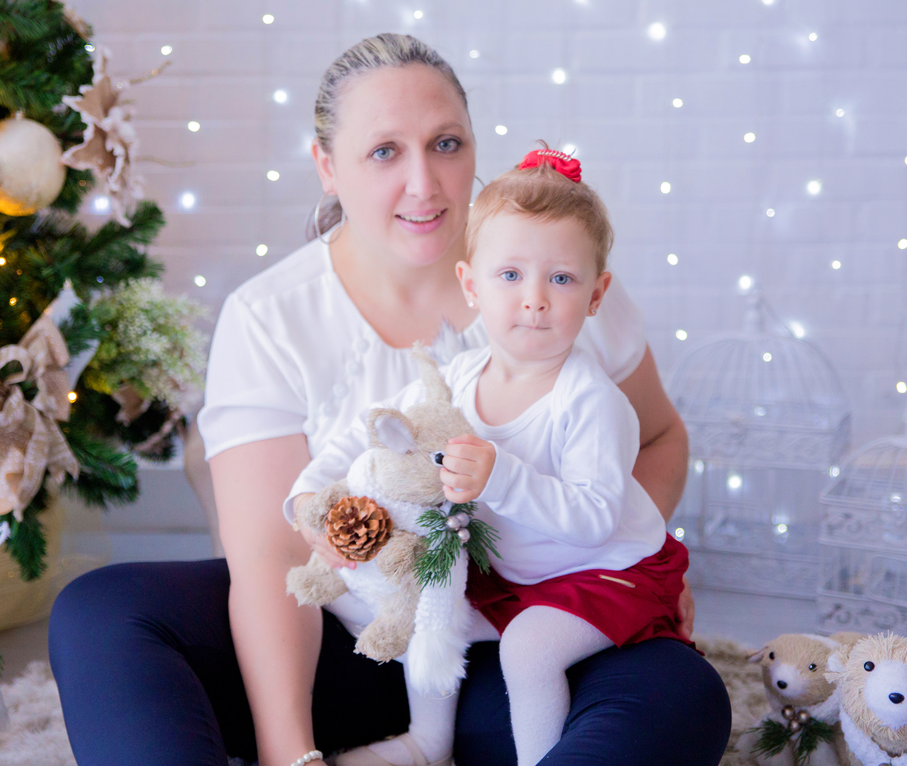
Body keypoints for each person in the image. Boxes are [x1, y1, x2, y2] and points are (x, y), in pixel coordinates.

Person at [49, 33, 730, 766]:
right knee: (102, 613)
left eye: (445, 144)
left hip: (522, 654)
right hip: (347, 653)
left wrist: (616, 572)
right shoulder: (271, 315)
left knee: (682, 691)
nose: (425, 184)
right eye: (384, 152)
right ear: (327, 167)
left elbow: (660, 439)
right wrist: (292, 753)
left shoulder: (550, 275)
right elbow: (272, 558)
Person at [285, 149, 696, 766]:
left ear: (595, 295)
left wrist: (502, 477)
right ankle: (429, 742)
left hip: (603, 572)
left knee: (528, 649)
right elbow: (375, 428)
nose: (534, 299)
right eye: (510, 276)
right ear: (471, 286)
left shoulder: (591, 402)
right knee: (424, 601)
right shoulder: (462, 371)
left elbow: (592, 519)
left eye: (561, 278)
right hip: (513, 570)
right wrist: (309, 497)